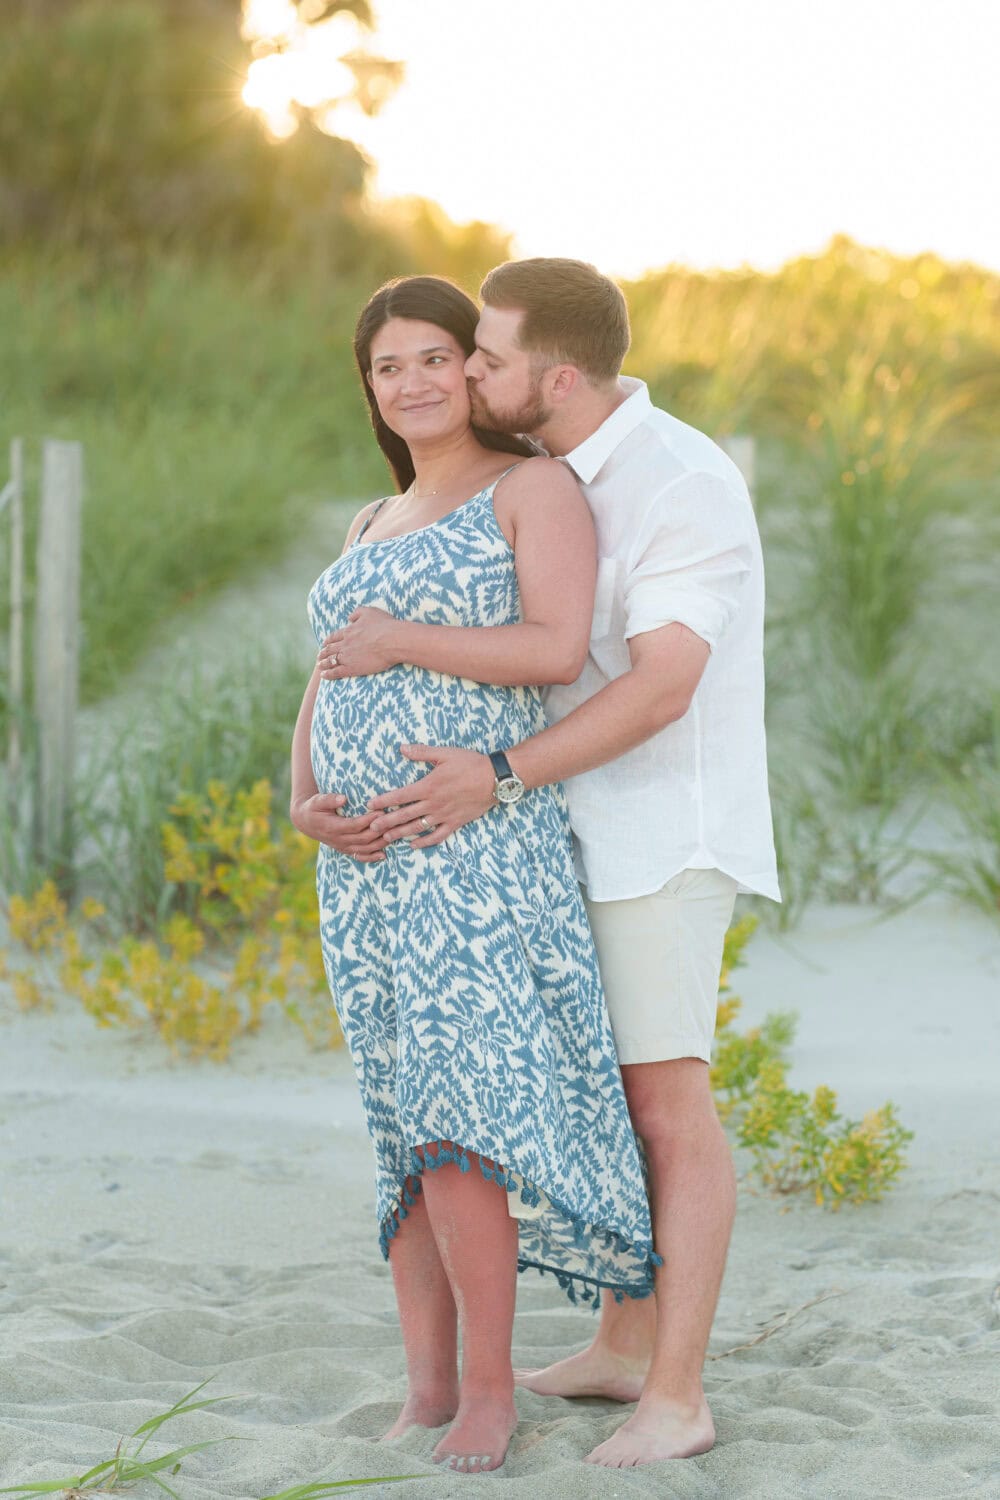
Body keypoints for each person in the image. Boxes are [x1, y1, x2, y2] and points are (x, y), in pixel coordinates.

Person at [317, 258, 780, 1469]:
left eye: (481, 356)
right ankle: (624, 1347)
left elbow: (660, 682)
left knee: (666, 1109)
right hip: (556, 831)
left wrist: (504, 773)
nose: (461, 374)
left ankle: (674, 1394)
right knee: (613, 1101)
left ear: (552, 374)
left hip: (657, 833)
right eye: (423, 361)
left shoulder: (675, 478)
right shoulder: (565, 471)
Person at [291, 274, 659, 1476]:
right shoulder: (370, 518)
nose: (411, 384)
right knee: (403, 1123)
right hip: (363, 868)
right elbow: (324, 678)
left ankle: (493, 1395)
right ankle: (428, 1387)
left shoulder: (532, 488)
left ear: (476, 369)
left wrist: (405, 640)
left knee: (460, 1125)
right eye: (386, 367)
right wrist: (303, 800)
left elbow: (554, 647)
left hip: (471, 849)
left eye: (435, 359)